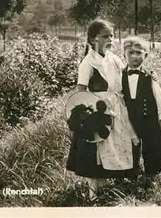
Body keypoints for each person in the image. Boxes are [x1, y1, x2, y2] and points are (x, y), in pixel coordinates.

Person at [66, 19, 140, 197]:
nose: (110, 39)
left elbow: (126, 79)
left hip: (117, 109)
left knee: (116, 148)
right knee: (96, 149)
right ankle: (92, 194)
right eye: (105, 36)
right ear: (93, 39)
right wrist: (85, 117)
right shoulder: (88, 63)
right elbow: (81, 92)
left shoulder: (114, 59)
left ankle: (107, 189)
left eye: (111, 36)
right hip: (97, 111)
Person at [121, 36, 161, 188]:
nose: (135, 56)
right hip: (130, 120)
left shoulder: (150, 76)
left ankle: (152, 174)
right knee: (130, 146)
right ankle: (131, 174)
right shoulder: (120, 75)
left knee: (152, 145)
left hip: (149, 118)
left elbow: (160, 98)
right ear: (125, 55)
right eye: (131, 53)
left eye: (139, 53)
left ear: (146, 55)